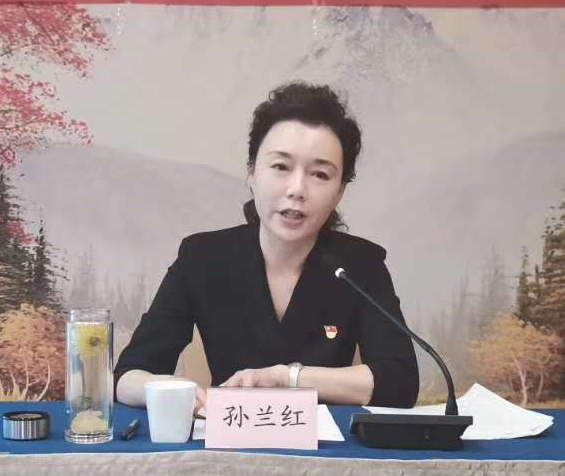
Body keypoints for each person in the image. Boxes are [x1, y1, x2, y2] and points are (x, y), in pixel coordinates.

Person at [114, 82, 419, 412]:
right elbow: (128, 375)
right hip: (229, 438)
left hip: (327, 443)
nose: (297, 189)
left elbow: (399, 383)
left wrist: (286, 378)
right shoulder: (202, 258)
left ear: (339, 191)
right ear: (252, 172)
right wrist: (177, 391)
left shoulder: (360, 265)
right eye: (281, 167)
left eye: (320, 174)